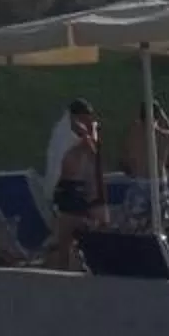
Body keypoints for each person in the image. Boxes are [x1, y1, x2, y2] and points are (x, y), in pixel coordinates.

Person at [46, 103, 104, 267]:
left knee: (67, 237)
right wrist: (93, 129)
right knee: (73, 234)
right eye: (87, 117)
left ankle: (65, 265)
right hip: (71, 188)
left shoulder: (62, 132)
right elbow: (93, 149)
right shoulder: (76, 129)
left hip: (67, 188)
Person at [44, 97, 95, 193]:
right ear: (75, 117)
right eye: (83, 118)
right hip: (62, 187)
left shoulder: (69, 130)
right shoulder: (63, 136)